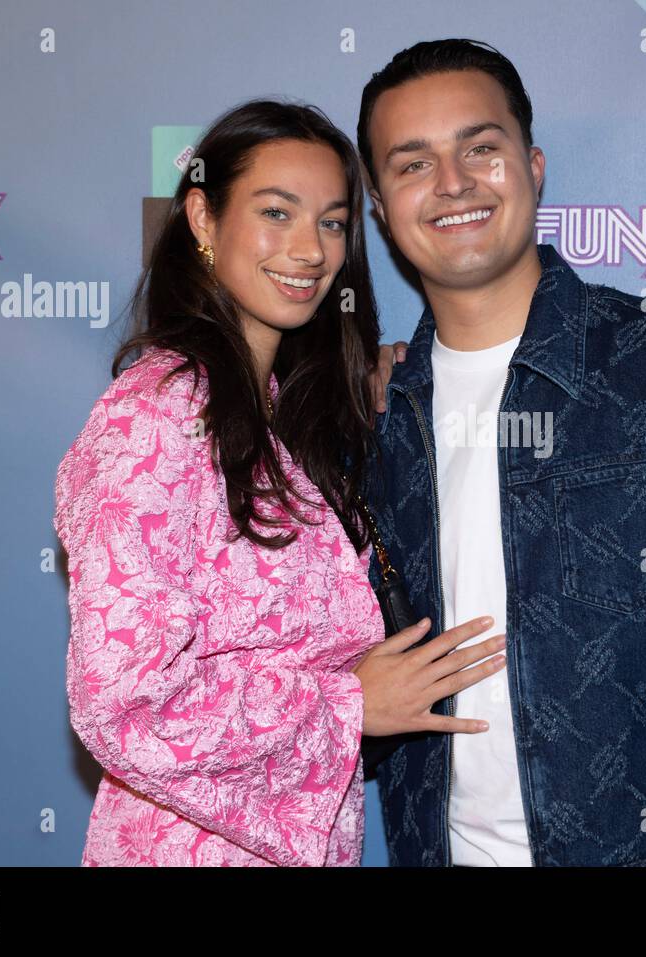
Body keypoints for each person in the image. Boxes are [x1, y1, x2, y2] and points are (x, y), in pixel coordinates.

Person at [359, 40, 646, 866]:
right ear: (379, 205)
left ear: (532, 166)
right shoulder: (381, 413)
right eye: (412, 164)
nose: (454, 184)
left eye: (481, 149)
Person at [54, 98, 505, 867]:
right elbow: (120, 700)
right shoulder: (154, 416)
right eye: (276, 212)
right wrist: (350, 705)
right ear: (202, 217)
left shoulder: (276, 418)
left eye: (331, 222)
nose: (309, 250)